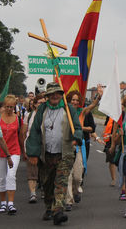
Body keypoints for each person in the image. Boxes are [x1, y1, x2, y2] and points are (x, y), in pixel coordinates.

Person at [26, 82, 83, 225]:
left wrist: (77, 137)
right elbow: (35, 132)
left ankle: (58, 211)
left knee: (61, 182)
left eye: (57, 93)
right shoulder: (42, 110)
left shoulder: (68, 109)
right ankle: (49, 207)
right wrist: (32, 153)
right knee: (47, 184)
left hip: (65, 153)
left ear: (61, 95)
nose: (55, 96)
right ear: (47, 96)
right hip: (47, 155)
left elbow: (77, 127)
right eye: (51, 94)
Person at [64, 86, 103, 211]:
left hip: (79, 148)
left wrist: (98, 97)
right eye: (72, 100)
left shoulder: (82, 112)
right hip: (66, 147)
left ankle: (76, 190)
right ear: (68, 101)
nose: (74, 102)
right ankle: (68, 201)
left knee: (77, 176)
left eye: (76, 100)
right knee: (68, 176)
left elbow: (92, 106)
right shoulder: (64, 112)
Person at [0, 95, 24, 215]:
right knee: (1, 177)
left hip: (14, 151)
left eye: (12, 107)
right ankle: (3, 203)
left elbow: (21, 136)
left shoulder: (18, 119)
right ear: (3, 106)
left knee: (11, 176)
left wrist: (24, 152)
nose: (9, 109)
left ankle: (11, 203)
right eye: (7, 107)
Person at [109, 94, 126, 200]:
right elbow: (114, 131)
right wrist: (112, 145)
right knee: (125, 170)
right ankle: (124, 191)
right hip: (122, 146)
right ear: (124, 104)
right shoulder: (121, 115)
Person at [22, 93, 46, 203]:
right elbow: (23, 132)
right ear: (35, 104)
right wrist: (24, 149)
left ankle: (45, 190)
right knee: (32, 170)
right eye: (39, 103)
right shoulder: (29, 116)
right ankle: (33, 193)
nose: (42, 105)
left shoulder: (48, 114)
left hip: (45, 146)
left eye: (44, 103)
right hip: (31, 145)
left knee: (45, 170)